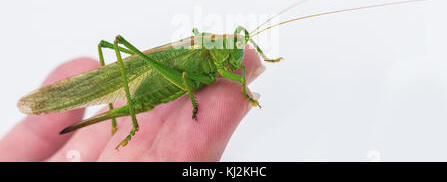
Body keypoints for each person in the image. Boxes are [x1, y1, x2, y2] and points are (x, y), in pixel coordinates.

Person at [0, 47, 265, 161]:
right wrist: (195, 103)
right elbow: (185, 76)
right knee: (117, 49)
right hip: (162, 83)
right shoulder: (206, 55)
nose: (236, 55)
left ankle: (116, 118)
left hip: (168, 81)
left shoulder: (220, 54)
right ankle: (129, 123)